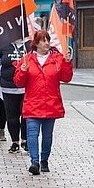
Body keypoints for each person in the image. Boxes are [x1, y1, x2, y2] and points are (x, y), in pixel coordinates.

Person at [13, 30, 73, 175]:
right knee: (32, 134)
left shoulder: (57, 58)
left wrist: (67, 62)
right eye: (43, 40)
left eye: (48, 40)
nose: (46, 43)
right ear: (36, 43)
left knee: (47, 136)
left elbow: (66, 78)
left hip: (50, 104)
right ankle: (35, 162)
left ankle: (44, 160)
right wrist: (22, 71)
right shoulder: (27, 59)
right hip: (32, 104)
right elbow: (18, 83)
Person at [0, 40, 29, 153]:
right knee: (12, 116)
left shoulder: (29, 45)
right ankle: (15, 142)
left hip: (26, 88)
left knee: (25, 115)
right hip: (8, 87)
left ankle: (25, 140)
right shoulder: (4, 45)